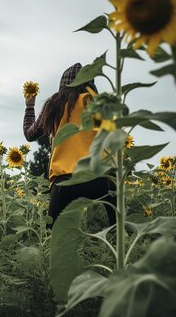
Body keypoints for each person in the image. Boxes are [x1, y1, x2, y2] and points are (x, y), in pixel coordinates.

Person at [23, 63, 115, 228]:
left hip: (64, 182)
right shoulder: (95, 103)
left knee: (53, 236)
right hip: (98, 179)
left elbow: (30, 134)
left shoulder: (55, 104)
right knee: (117, 226)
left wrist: (29, 106)